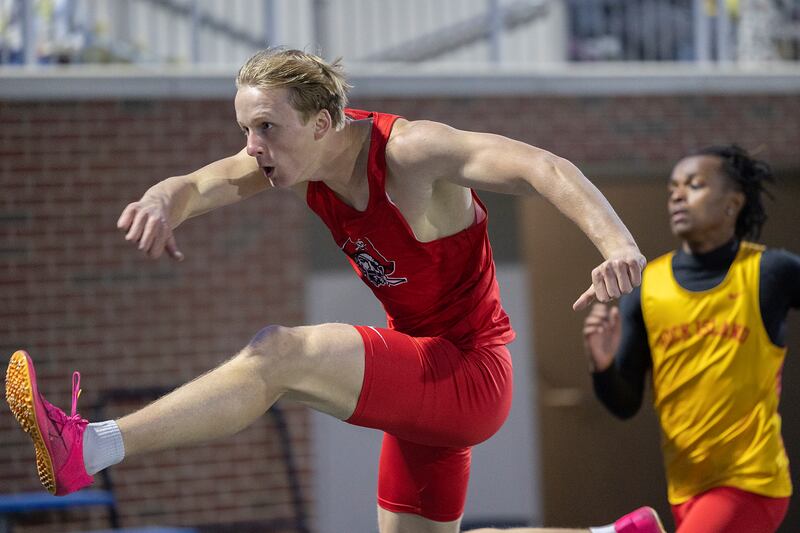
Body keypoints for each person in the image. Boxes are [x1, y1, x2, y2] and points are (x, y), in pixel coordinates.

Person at [7, 48, 659, 533]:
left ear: (323, 123)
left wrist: (617, 243)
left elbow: (545, 166)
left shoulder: (411, 153)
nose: (252, 147)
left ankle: (89, 445)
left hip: (470, 371)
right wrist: (161, 198)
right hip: (424, 378)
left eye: (266, 128)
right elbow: (201, 183)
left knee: (279, 353)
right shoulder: (295, 162)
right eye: (245, 130)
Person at [583, 145, 798, 533]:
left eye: (695, 185)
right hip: (685, 488)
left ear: (733, 203)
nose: (678, 195)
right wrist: (602, 366)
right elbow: (625, 403)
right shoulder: (649, 285)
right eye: (672, 189)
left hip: (752, 479)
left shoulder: (770, 272)